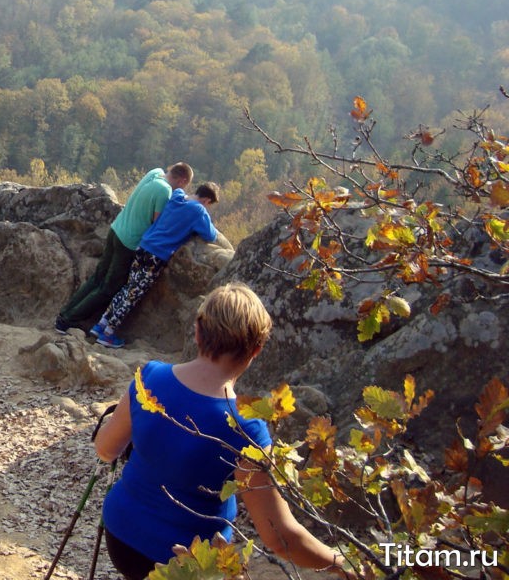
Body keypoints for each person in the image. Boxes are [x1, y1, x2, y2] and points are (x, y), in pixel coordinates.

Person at [93, 282, 353, 580]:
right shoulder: (247, 429)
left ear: (198, 331)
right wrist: (342, 564)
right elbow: (279, 538)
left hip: (121, 535)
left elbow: (105, 449)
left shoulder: (149, 376)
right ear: (256, 349)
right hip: (185, 565)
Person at [55, 163, 194, 335]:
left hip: (116, 229)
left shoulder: (155, 172)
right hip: (129, 241)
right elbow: (157, 221)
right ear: (182, 180)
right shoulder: (164, 191)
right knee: (109, 287)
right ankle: (69, 320)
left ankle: (65, 313)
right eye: (184, 185)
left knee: (98, 277)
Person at [92, 182, 220, 349]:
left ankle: (101, 324)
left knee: (128, 287)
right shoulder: (199, 211)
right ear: (207, 200)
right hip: (157, 255)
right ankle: (108, 333)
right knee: (134, 295)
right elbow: (210, 235)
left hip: (143, 245)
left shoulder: (178, 195)